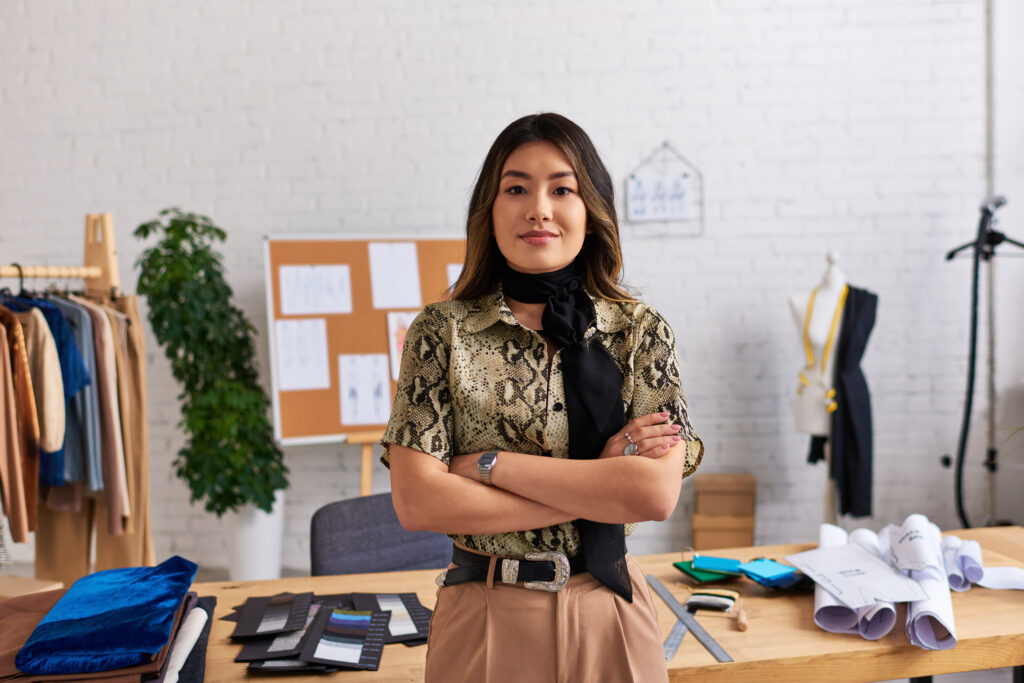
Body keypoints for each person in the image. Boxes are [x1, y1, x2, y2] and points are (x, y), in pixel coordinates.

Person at [381, 113, 703, 682]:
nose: (539, 209)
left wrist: (489, 466)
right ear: (491, 208)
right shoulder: (442, 333)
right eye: (516, 188)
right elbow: (418, 502)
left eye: (562, 188)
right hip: (484, 615)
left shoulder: (640, 331)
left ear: (591, 209)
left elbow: (652, 494)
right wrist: (601, 483)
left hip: (612, 612)